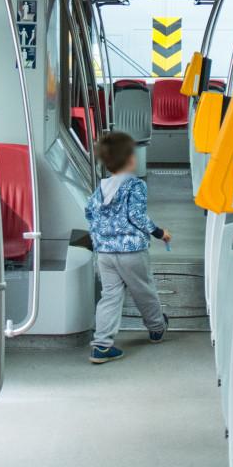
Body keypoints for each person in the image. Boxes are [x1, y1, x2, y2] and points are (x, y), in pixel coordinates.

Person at [84, 131, 171, 363]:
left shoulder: (101, 188)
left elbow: (89, 213)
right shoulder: (135, 185)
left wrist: (100, 240)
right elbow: (137, 216)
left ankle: (101, 345)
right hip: (131, 251)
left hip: (105, 253)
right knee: (144, 290)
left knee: (110, 297)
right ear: (131, 159)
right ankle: (157, 328)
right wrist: (159, 232)